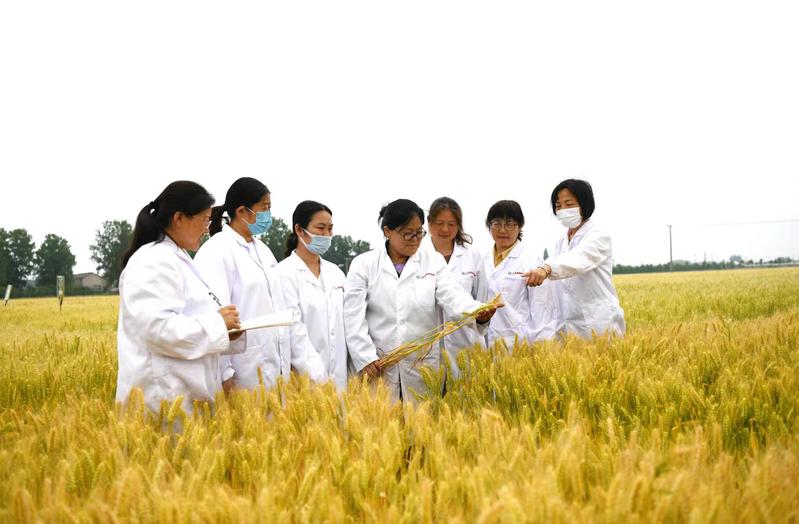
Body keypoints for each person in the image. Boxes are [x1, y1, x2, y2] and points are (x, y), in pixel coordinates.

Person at [344, 198, 500, 403]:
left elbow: (452, 295)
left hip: (421, 365)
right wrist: (365, 357)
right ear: (387, 231)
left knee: (421, 419)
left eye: (419, 233)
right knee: (381, 419)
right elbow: (353, 316)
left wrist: (476, 312)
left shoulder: (432, 260)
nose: (415, 239)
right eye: (408, 233)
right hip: (379, 363)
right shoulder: (364, 264)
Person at [116, 181, 242, 415]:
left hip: (184, 398)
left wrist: (225, 330)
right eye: (205, 220)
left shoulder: (177, 258)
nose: (208, 229)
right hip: (163, 400)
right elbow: (158, 329)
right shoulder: (153, 261)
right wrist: (217, 324)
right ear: (179, 218)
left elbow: (190, 316)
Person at [194, 177, 326, 391]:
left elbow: (284, 313)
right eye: (264, 208)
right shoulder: (217, 251)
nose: (268, 215)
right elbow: (215, 317)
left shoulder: (264, 252)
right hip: (243, 371)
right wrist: (224, 374)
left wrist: (311, 371)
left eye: (269, 208)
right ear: (242, 211)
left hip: (275, 372)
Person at [524, 179, 626, 338]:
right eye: (558, 206)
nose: (563, 210)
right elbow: (554, 266)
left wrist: (547, 269)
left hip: (598, 324)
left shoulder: (598, 235)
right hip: (567, 325)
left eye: (569, 204)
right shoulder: (562, 240)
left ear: (584, 204)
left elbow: (578, 259)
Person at [277, 201, 349, 390]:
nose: (326, 235)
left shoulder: (336, 274)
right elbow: (294, 330)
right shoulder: (283, 274)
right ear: (299, 230)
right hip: (305, 381)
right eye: (320, 228)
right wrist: (318, 376)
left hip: (341, 378)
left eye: (330, 229)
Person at [424, 197, 486, 381]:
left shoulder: (472, 255)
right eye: (439, 223)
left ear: (459, 225)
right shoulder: (418, 255)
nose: (445, 229)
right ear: (429, 223)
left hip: (466, 342)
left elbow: (481, 300)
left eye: (451, 224)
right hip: (426, 347)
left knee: (466, 393)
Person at [483, 200, 559, 348]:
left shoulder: (532, 261)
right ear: (489, 226)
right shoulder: (481, 261)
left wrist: (542, 348)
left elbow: (542, 311)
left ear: (520, 226)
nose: (502, 230)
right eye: (496, 224)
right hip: (484, 345)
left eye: (509, 224)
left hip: (519, 343)